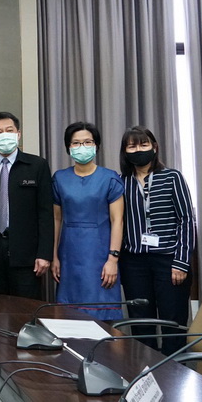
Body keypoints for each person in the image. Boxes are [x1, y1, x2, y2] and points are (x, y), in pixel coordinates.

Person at [118, 126, 196, 355]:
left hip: (169, 260)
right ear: (125, 152)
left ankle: (175, 370)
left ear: (154, 147)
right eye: (132, 146)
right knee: (141, 322)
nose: (138, 150)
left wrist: (181, 262)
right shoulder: (121, 182)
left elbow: (186, 219)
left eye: (143, 144)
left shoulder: (172, 177)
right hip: (134, 262)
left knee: (173, 321)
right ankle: (145, 371)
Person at [0, 112, 54, 299]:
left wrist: (44, 254)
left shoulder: (37, 165)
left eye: (9, 130)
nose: (5, 135)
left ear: (18, 134)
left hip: (27, 255)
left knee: (26, 309)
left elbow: (45, 213)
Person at [51, 122, 124, 320]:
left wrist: (113, 260)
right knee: (69, 317)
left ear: (96, 145)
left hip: (100, 254)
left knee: (102, 317)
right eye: (76, 143)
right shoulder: (59, 178)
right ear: (68, 147)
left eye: (87, 142)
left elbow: (117, 220)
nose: (81, 147)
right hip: (69, 254)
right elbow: (56, 219)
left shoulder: (110, 178)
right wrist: (54, 256)